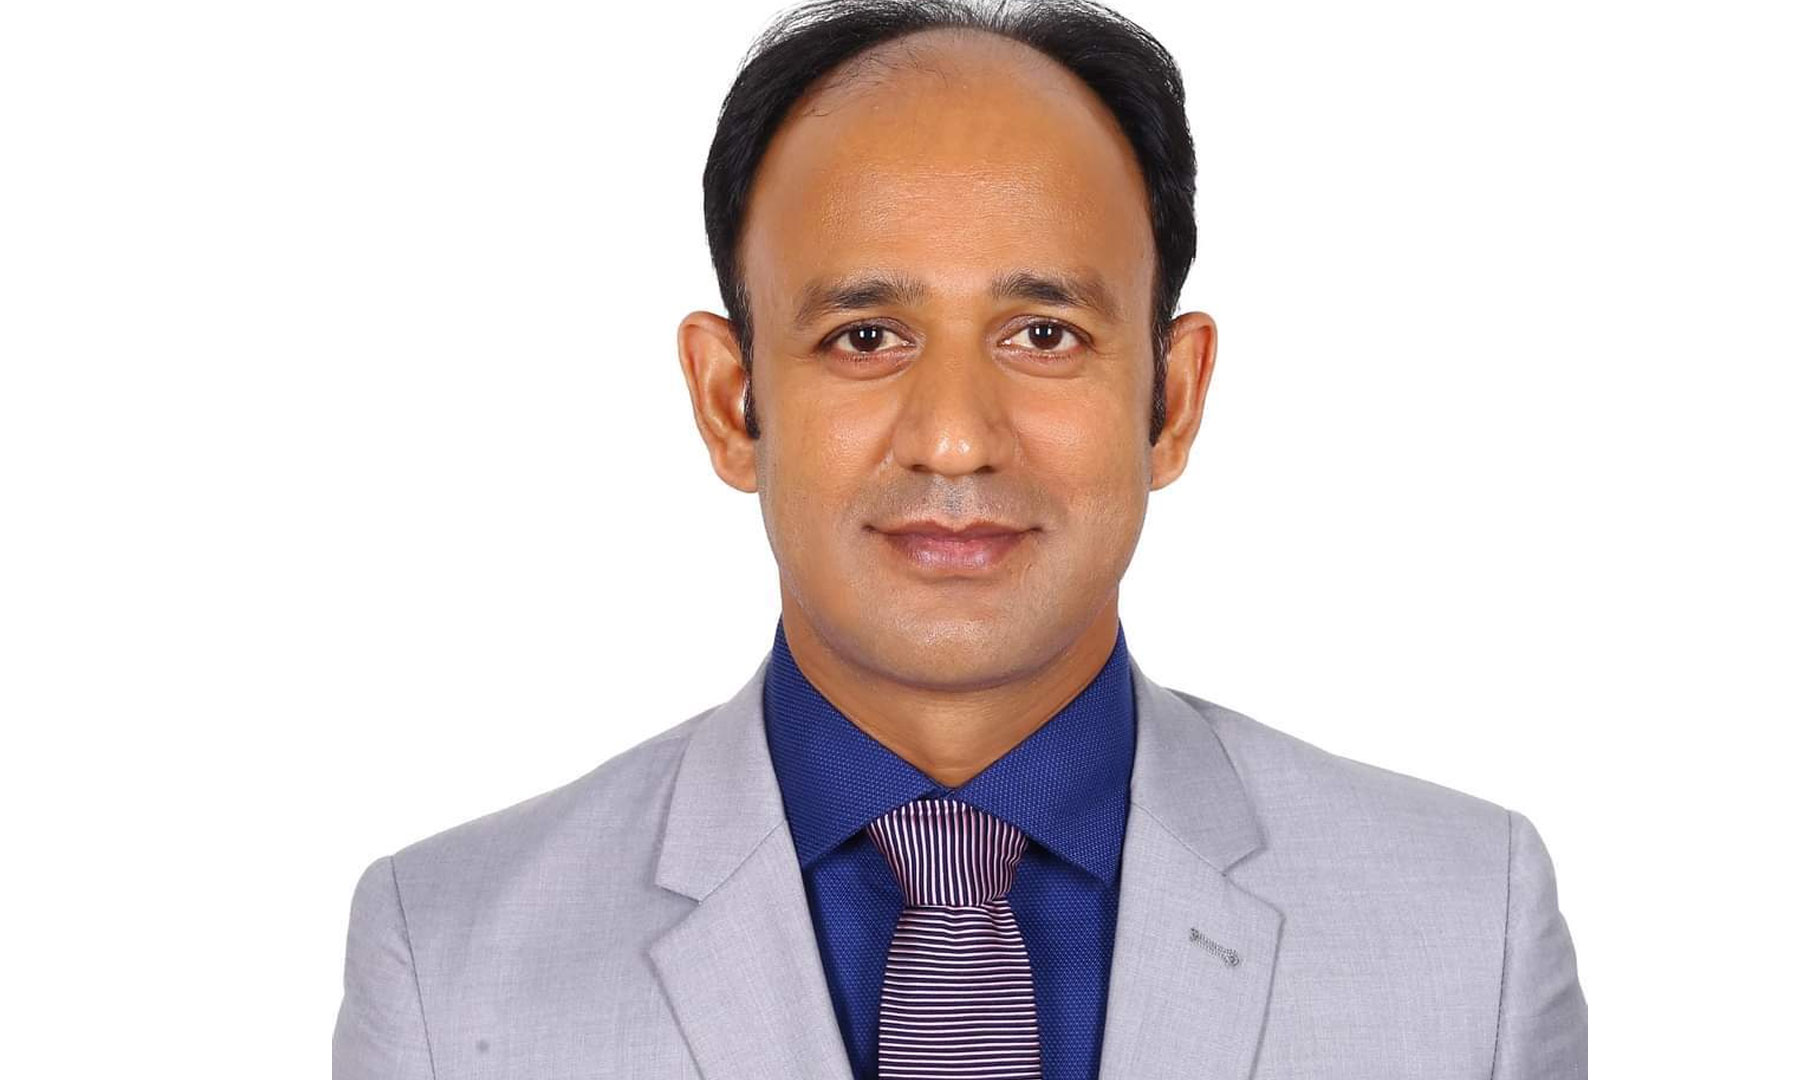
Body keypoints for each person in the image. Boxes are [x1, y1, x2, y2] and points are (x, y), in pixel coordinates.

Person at [331, 1, 1588, 1076]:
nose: (952, 440)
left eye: (1043, 335)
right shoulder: (450, 959)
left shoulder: (1467, 932)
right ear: (730, 402)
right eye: (865, 337)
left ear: (1172, 398)